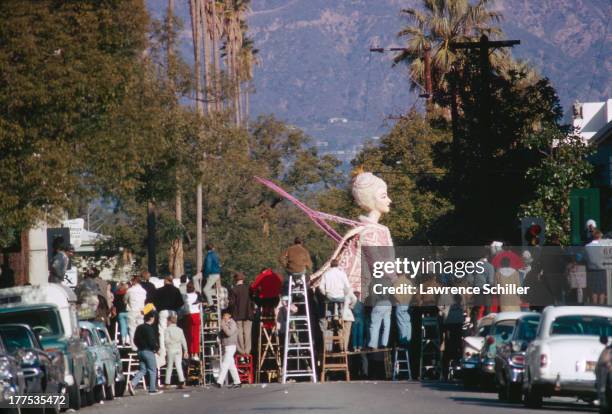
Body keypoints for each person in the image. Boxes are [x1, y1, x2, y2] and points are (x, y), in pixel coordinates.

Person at [128, 311, 163, 395]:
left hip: (140, 351)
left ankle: (132, 383)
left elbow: (135, 339)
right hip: (148, 351)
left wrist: (139, 347)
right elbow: (151, 341)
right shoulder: (149, 328)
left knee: (143, 370)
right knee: (152, 370)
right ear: (151, 318)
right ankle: (152, 389)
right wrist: (156, 349)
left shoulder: (139, 327)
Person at [152, 276, 184, 365]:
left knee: (162, 332)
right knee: (173, 331)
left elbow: (154, 302)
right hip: (173, 312)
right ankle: (174, 350)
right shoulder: (176, 290)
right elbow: (181, 303)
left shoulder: (159, 290)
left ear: (165, 281)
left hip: (162, 312)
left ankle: (163, 351)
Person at [213, 311, 241, 389]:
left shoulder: (233, 323)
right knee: (231, 366)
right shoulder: (225, 324)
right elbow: (221, 333)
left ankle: (219, 382)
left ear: (229, 316)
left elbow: (229, 333)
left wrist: (223, 325)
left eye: (225, 316)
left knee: (225, 364)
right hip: (227, 346)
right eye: (223, 316)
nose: (224, 317)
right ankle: (237, 382)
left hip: (231, 346)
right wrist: (218, 340)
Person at [229, 272, 254, 356]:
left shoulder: (233, 289)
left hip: (237, 314)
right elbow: (252, 300)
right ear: (243, 279)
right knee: (247, 333)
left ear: (236, 279)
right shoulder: (248, 288)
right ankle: (247, 350)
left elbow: (231, 303)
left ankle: (241, 351)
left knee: (239, 333)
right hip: (248, 313)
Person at [163, 312, 188, 389]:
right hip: (178, 349)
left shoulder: (167, 330)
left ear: (169, 321)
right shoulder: (180, 330)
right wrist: (186, 351)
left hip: (171, 349)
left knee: (169, 366)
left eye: (167, 321)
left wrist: (166, 348)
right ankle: (182, 381)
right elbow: (183, 340)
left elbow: (166, 340)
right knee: (179, 366)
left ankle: (167, 383)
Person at [125, 275, 147, 350]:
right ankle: (141, 344)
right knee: (140, 328)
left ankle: (134, 346)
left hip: (132, 310)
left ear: (134, 281)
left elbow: (125, 299)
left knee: (132, 328)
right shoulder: (144, 291)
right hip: (141, 311)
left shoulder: (130, 290)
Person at [183, 281, 202, 360]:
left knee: (188, 335)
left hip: (188, 315)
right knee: (196, 335)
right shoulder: (197, 295)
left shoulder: (184, 296)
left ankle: (190, 353)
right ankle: (196, 353)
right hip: (196, 315)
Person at [394, 274, 412, 348]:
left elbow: (395, 293)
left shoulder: (397, 282)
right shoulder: (409, 282)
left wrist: (400, 300)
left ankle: (403, 341)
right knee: (407, 322)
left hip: (400, 304)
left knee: (401, 323)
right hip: (406, 304)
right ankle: (408, 339)